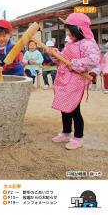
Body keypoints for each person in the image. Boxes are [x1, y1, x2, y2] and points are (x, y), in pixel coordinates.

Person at [49, 13, 101, 150]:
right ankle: (66, 132)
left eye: (70, 31)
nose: (68, 34)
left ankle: (78, 137)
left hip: (76, 80)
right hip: (64, 79)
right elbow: (64, 58)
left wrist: (75, 64)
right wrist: (55, 54)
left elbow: (93, 59)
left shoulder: (88, 43)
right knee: (64, 107)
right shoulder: (70, 44)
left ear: (79, 29)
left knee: (74, 110)